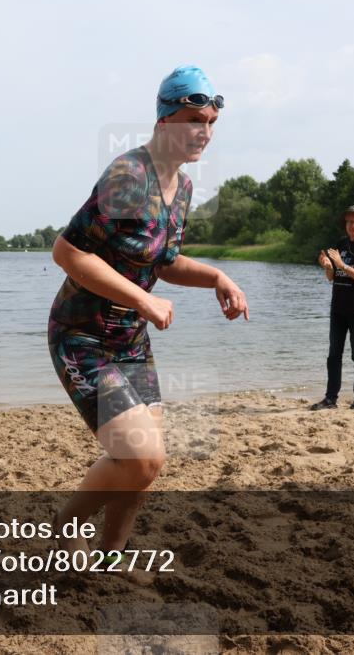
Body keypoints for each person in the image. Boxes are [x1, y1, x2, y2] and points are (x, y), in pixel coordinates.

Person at [48, 65, 249, 556]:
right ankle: (61, 532)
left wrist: (216, 277)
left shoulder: (183, 188)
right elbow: (67, 252)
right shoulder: (129, 176)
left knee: (146, 466)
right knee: (140, 457)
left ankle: (112, 556)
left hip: (130, 340)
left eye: (211, 123)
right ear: (164, 120)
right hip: (82, 336)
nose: (205, 132)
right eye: (194, 120)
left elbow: (162, 259)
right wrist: (143, 299)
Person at [310, 205, 354, 411]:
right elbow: (332, 277)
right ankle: (330, 399)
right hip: (338, 309)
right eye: (349, 222)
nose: (353, 225)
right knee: (334, 355)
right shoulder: (341, 244)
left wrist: (341, 265)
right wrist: (328, 266)